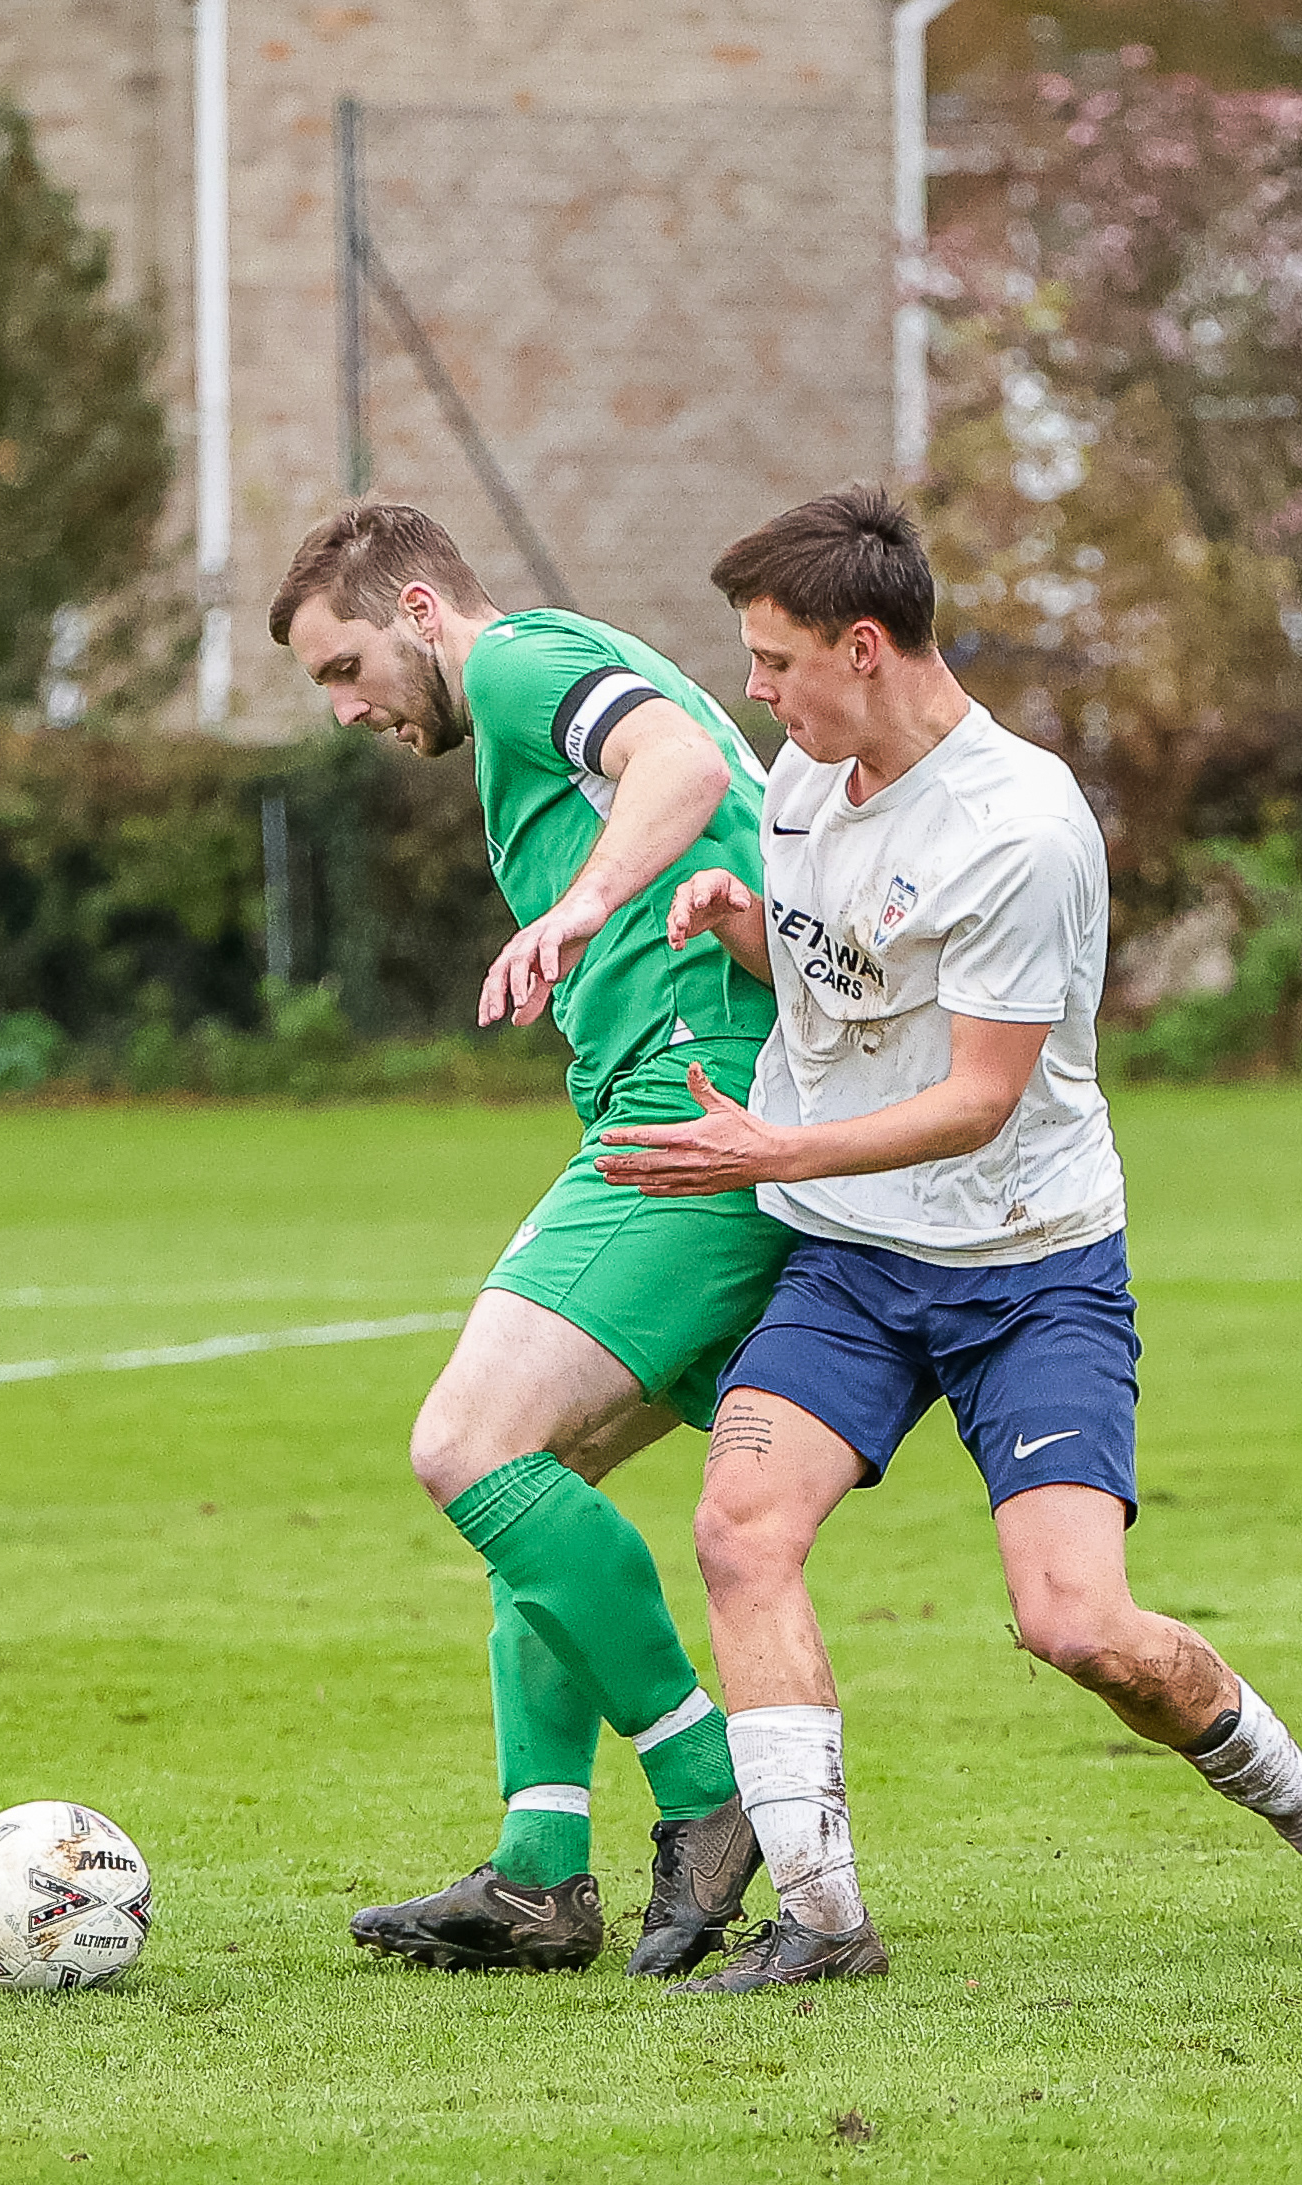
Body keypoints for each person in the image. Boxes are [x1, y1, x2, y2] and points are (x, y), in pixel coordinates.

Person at [592, 481, 1302, 1992]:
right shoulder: (803, 780)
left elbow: (979, 1099)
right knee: (740, 1529)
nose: (755, 691)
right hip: (854, 1261)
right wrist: (741, 918)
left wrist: (769, 1149)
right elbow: (848, 976)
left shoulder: (1021, 829)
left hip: (1027, 1269)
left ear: (864, 646)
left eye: (775, 660)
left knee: (1079, 1625)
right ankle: (826, 1919)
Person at [268, 502, 794, 1975]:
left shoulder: (510, 663)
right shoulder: (548, 681)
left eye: (346, 666)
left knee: (466, 1447)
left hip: (696, 1107)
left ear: (419, 611)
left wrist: (579, 908)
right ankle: (539, 1874)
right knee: (537, 1484)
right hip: (701, 1101)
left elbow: (683, 765)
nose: (347, 708)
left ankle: (711, 1786)